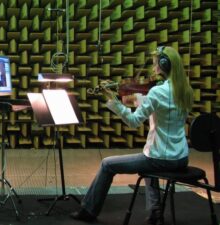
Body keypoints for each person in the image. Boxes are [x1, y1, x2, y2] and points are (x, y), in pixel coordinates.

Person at [70, 46, 194, 225]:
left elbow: (134, 121)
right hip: (181, 157)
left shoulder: (158, 92)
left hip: (162, 158)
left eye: (155, 63)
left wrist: (113, 102)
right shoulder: (185, 90)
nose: (153, 67)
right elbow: (163, 106)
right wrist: (137, 99)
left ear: (163, 64)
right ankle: (154, 214)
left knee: (107, 165)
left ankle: (88, 210)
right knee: (149, 166)